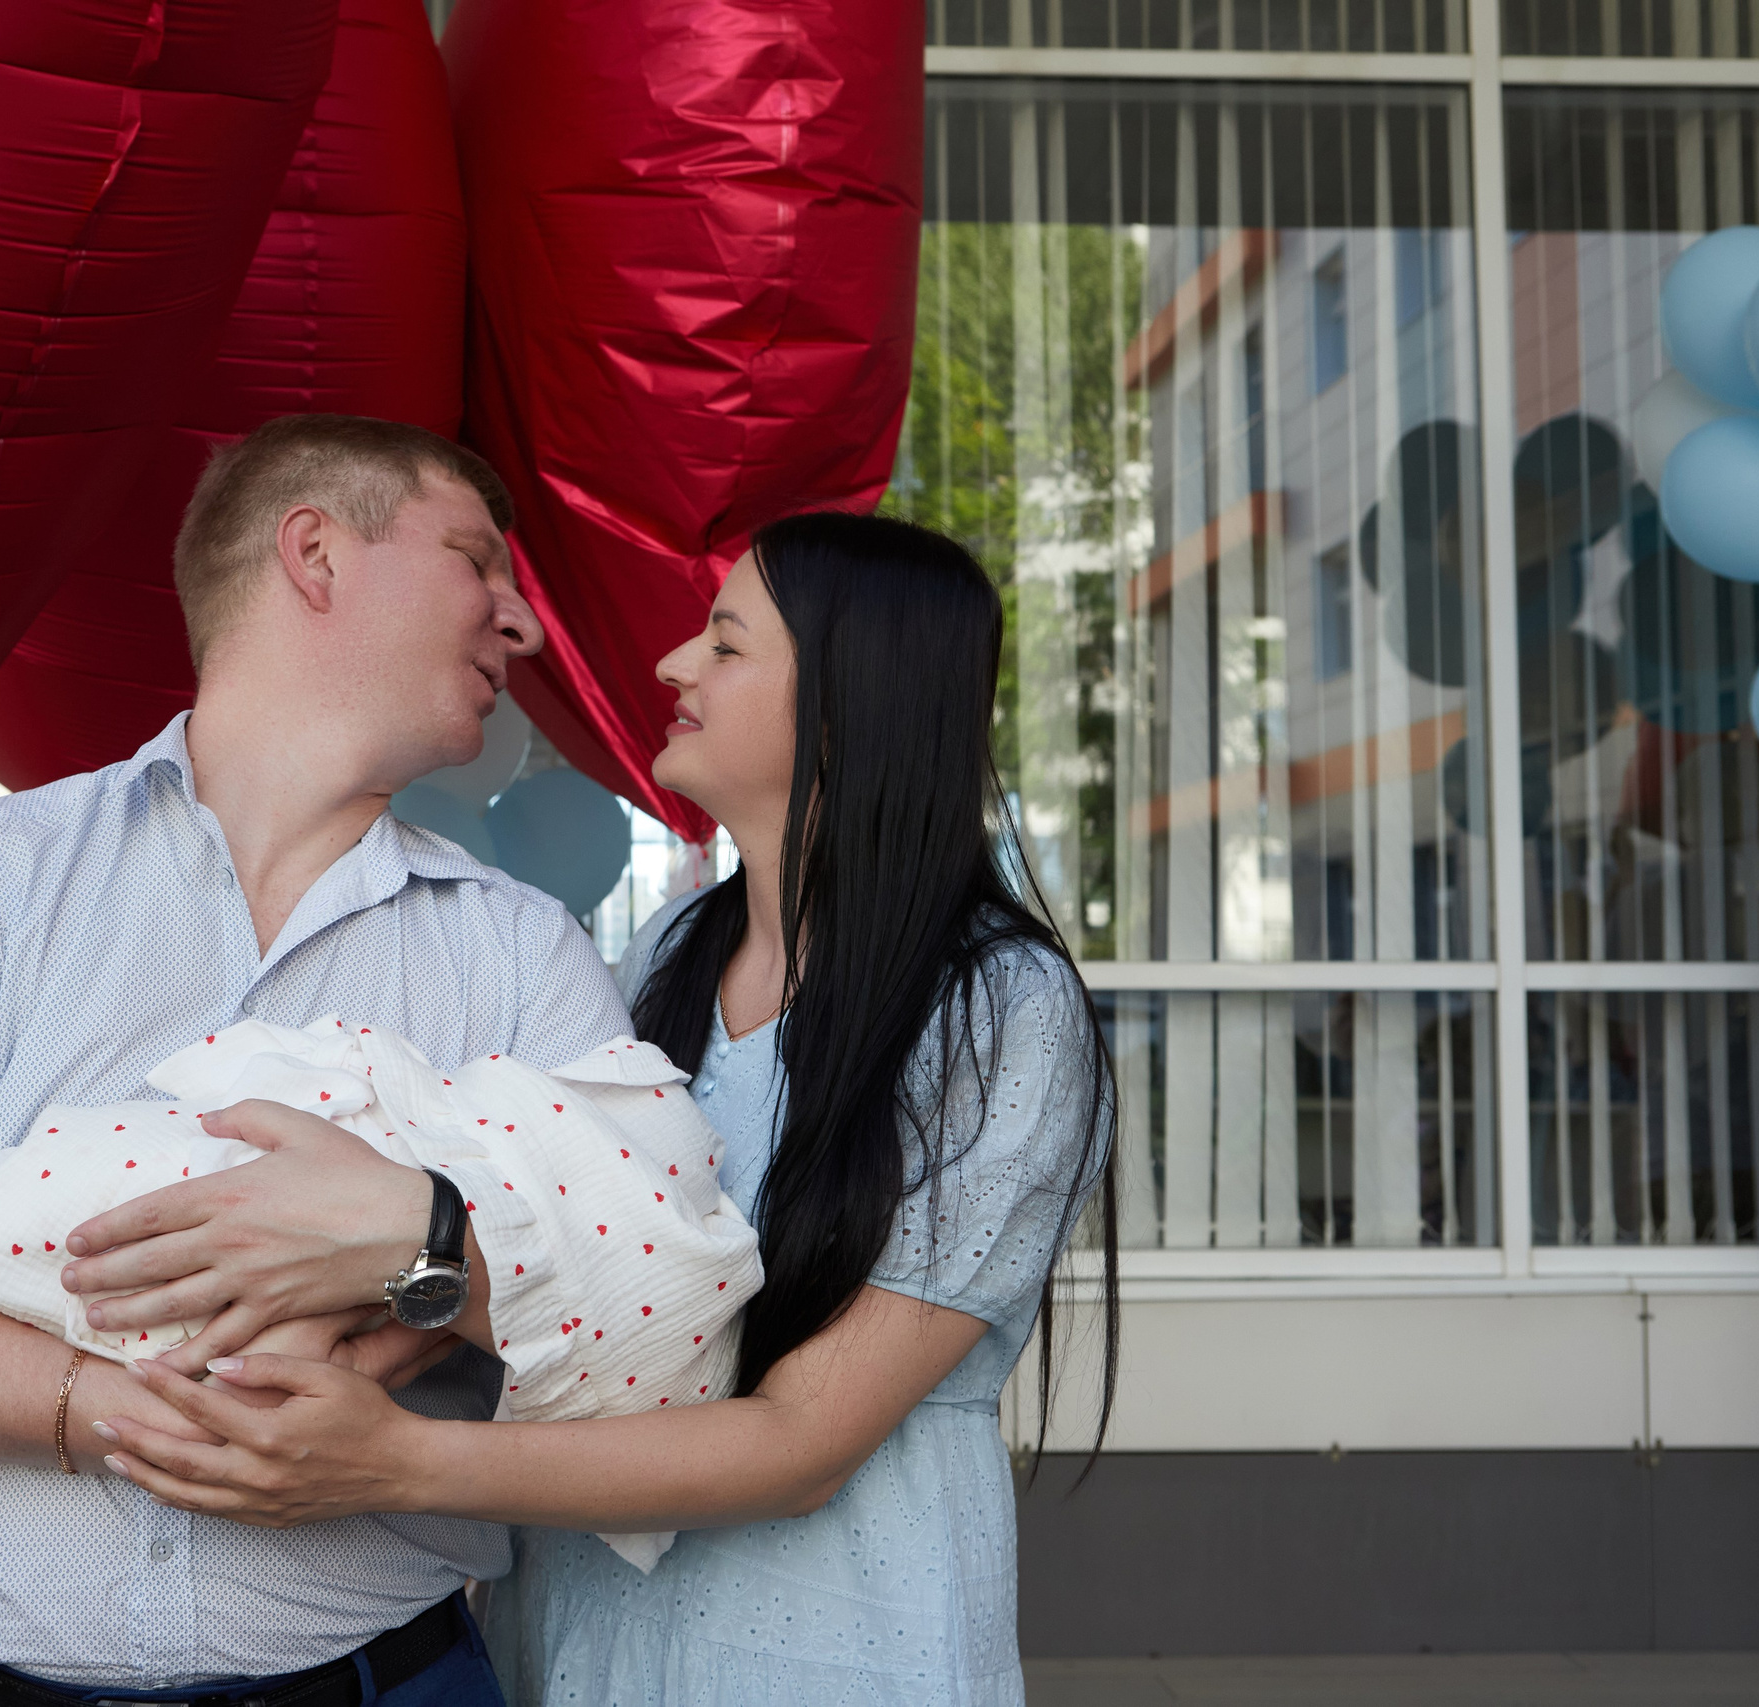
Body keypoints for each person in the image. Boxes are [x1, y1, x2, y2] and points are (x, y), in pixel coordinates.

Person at [98, 510, 1123, 1706]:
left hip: (837, 1657)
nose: (674, 665)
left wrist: (395, 1461)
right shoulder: (672, 952)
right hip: (577, 1643)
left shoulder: (999, 1011)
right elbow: (546, 1274)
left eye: (726, 644)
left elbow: (802, 1443)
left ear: (854, 701)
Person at [0, 414, 646, 1705]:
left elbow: (632, 1301)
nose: (522, 621)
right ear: (314, 554)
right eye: (474, 559)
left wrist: (412, 1264)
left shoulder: (524, 953)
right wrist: (164, 1419)